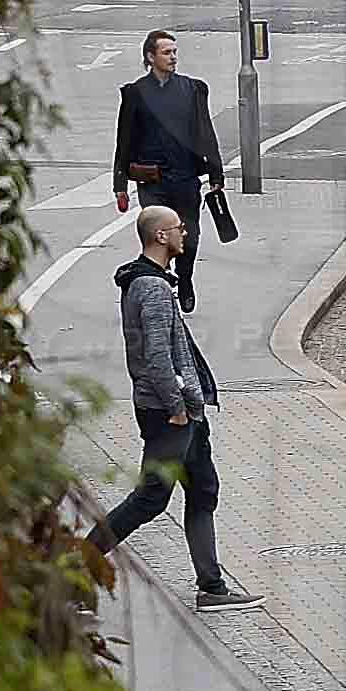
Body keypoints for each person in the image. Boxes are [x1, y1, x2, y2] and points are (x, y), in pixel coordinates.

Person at [89, 207, 258, 611]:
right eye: (179, 228)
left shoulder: (152, 281)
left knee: (203, 490)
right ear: (161, 237)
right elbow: (157, 355)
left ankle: (212, 586)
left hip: (185, 410)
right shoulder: (152, 287)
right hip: (171, 412)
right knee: (150, 499)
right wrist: (178, 407)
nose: (185, 233)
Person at [111, 30, 226, 309]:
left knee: (189, 235)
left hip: (185, 177)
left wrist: (215, 173)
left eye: (174, 52)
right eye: (166, 52)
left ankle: (185, 278)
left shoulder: (191, 89)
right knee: (156, 237)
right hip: (153, 180)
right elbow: (124, 138)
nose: (173, 57)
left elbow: (205, 132)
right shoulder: (136, 93)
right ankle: (160, 285)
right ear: (150, 57)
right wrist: (120, 184)